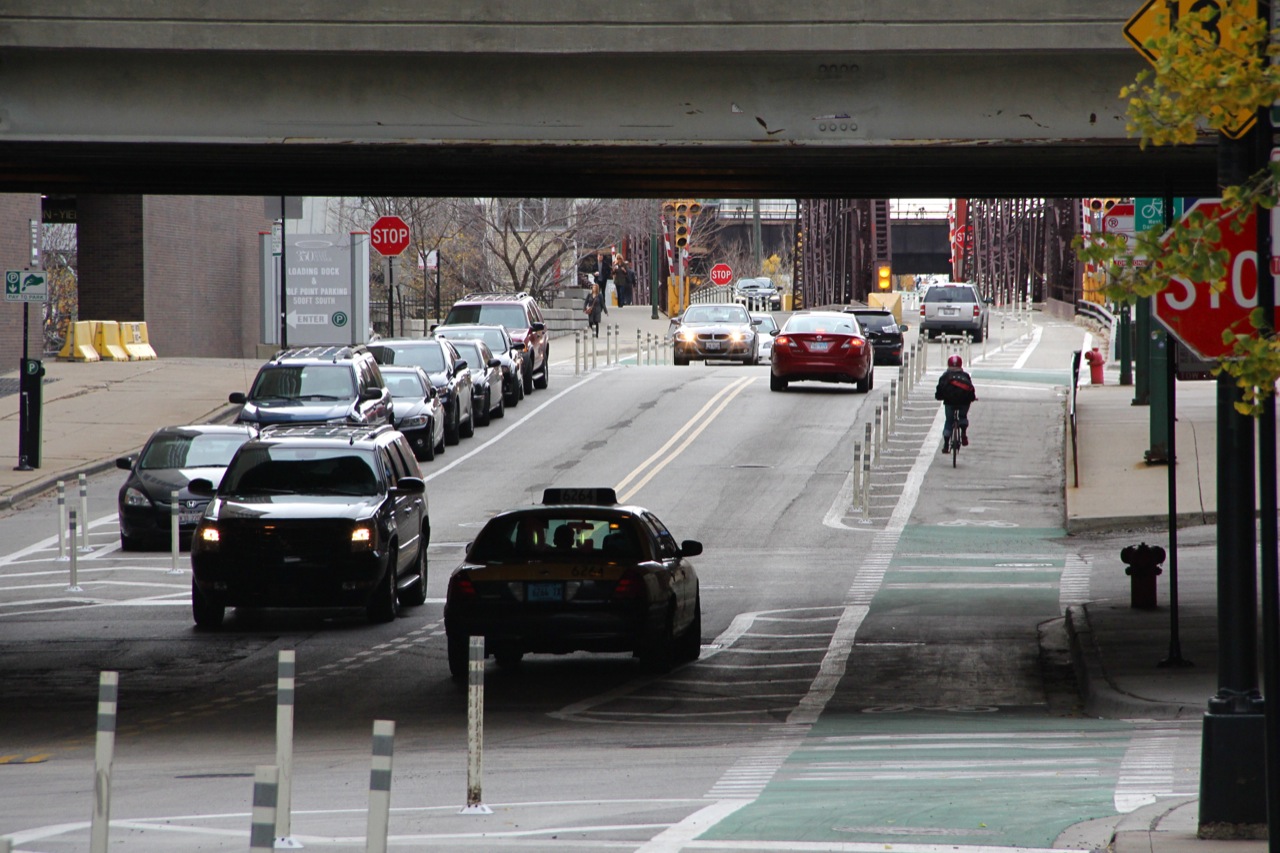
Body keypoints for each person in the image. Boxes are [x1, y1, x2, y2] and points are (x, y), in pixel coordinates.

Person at [935, 354, 977, 452]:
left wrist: (939, 397)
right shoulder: (965, 376)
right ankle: (963, 432)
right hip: (964, 402)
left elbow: (939, 390)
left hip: (949, 402)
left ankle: (946, 444)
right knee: (963, 416)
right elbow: (971, 390)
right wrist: (972, 398)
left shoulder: (945, 376)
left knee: (949, 421)